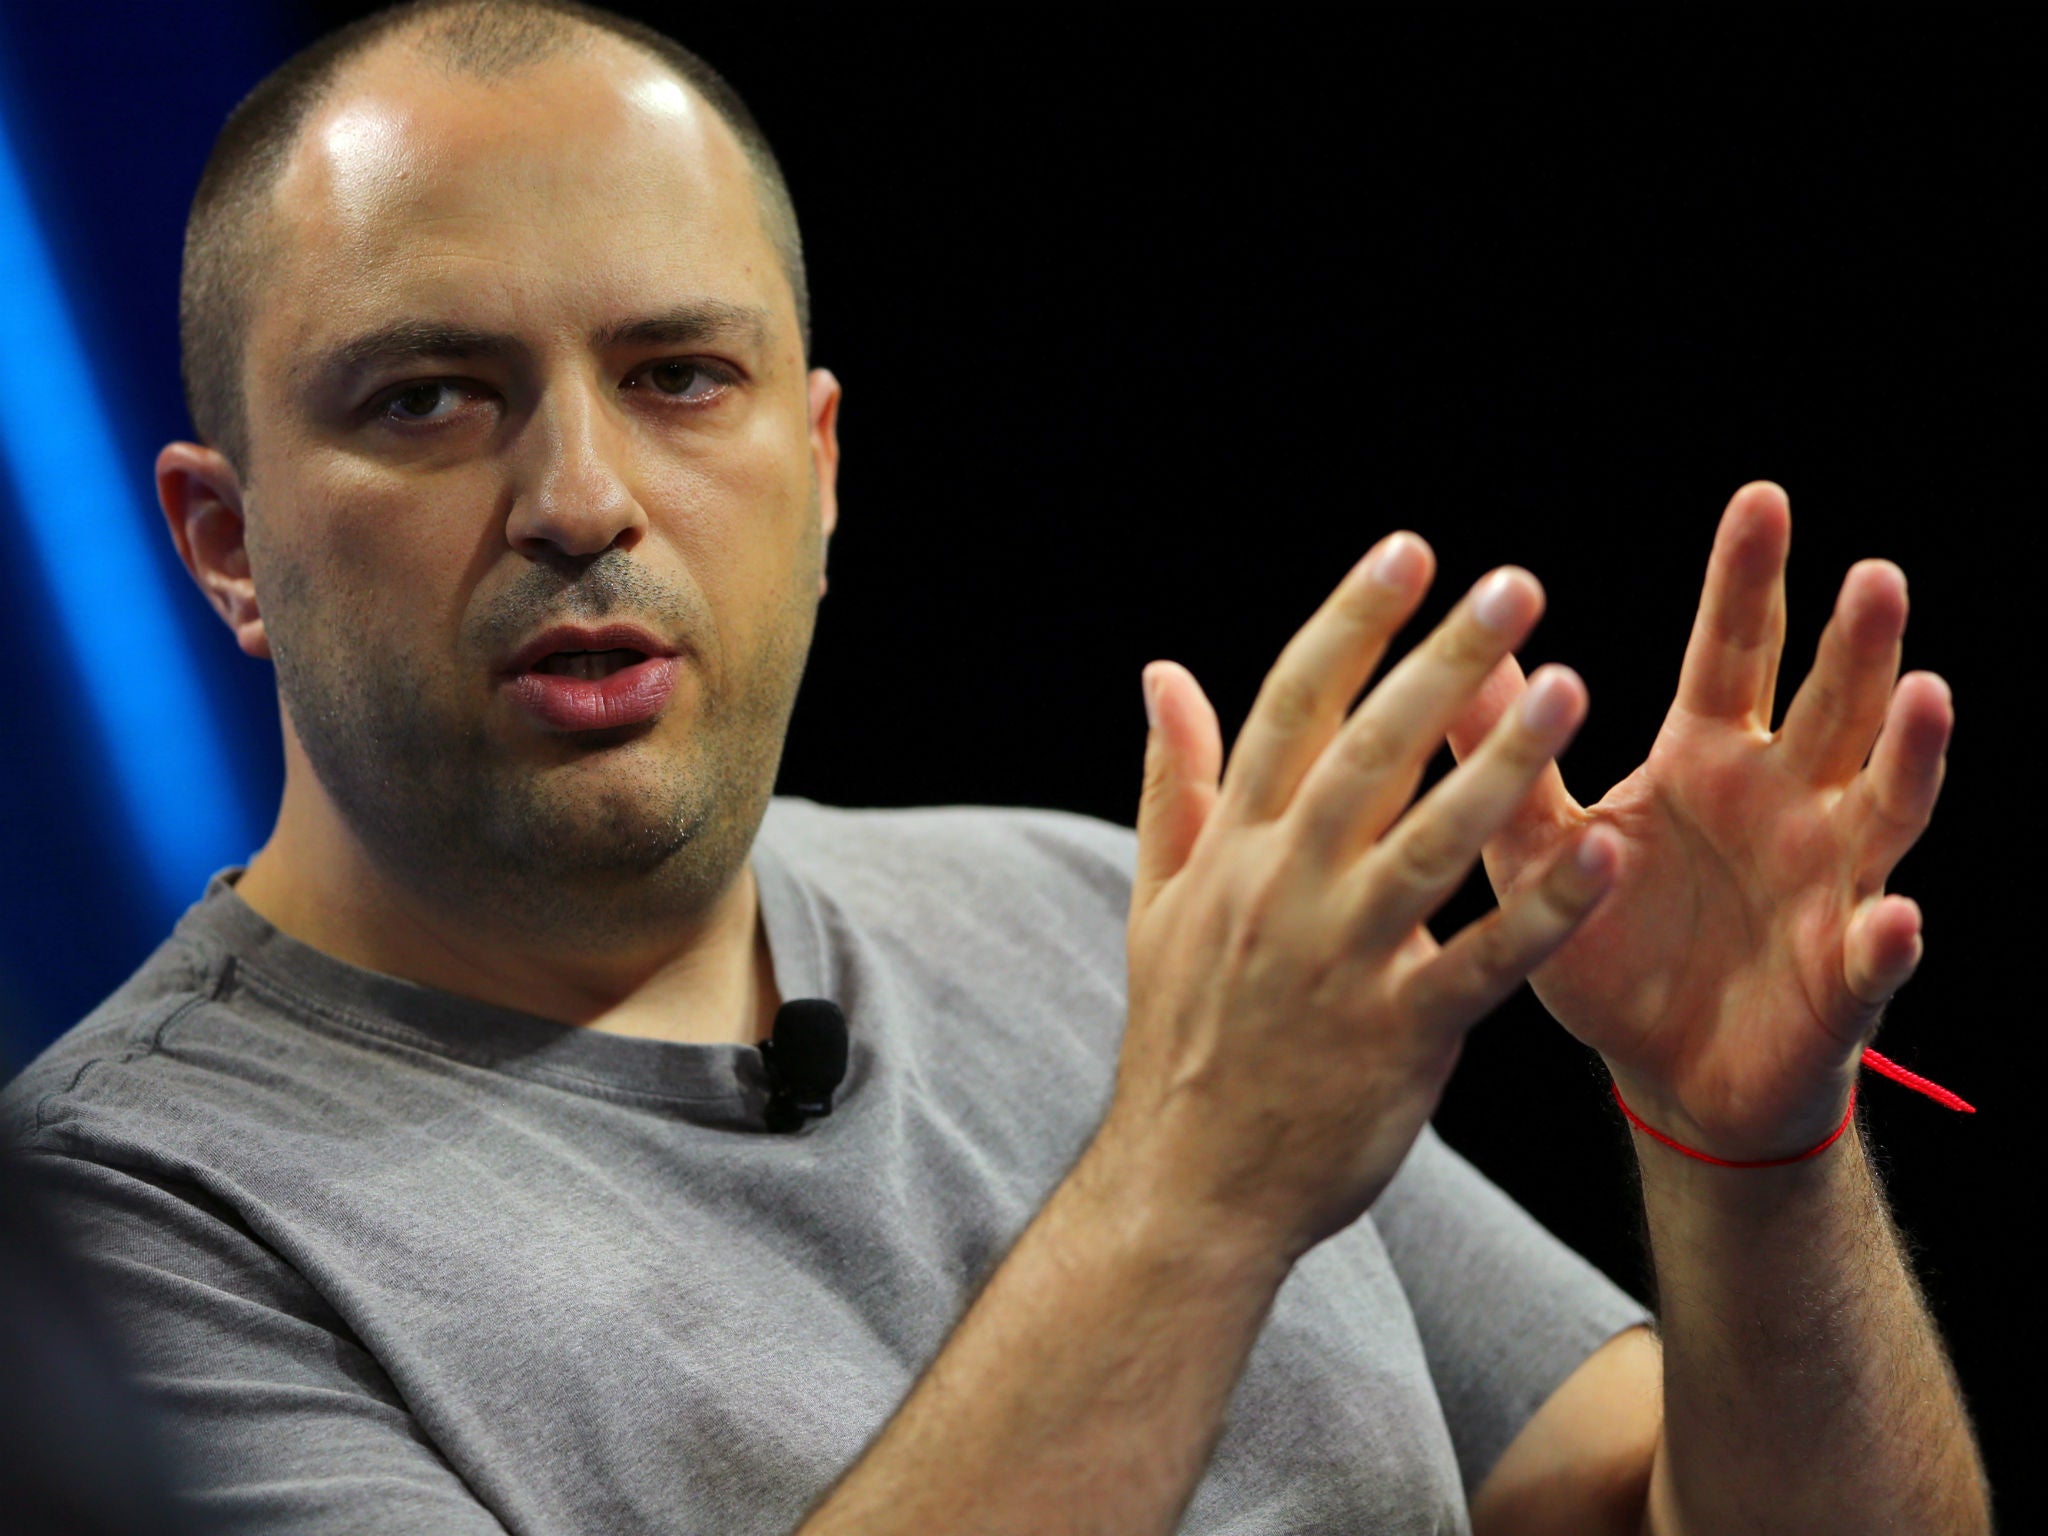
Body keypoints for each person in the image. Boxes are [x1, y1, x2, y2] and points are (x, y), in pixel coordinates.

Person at [1, 1, 1991, 1531]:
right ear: (227, 540)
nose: (582, 498)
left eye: (682, 377)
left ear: (824, 464)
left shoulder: (1078, 907)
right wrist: (1196, 1187)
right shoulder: (116, 1234)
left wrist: (1744, 1152)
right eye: (430, 398)